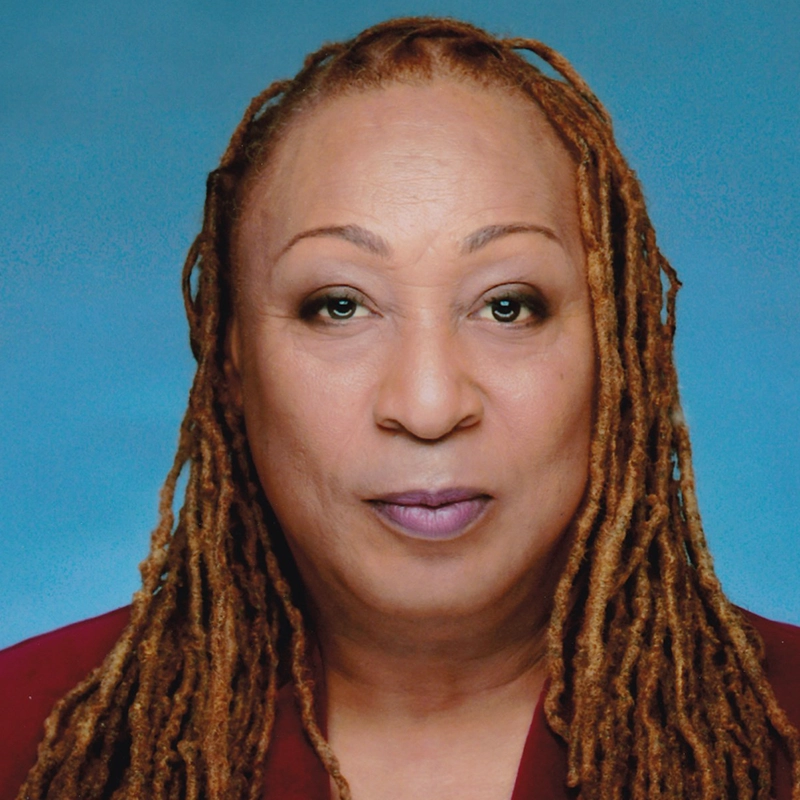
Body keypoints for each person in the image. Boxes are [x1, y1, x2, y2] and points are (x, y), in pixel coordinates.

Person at [2, 16, 799, 800]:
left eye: (509, 305)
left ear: (620, 355)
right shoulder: (28, 743)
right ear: (232, 365)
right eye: (340, 306)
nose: (427, 405)